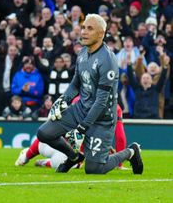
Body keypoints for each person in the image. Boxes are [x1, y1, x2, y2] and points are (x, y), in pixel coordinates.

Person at [37, 14, 143, 175]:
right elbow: (75, 83)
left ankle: (131, 151)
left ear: (101, 34)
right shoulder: (82, 53)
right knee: (44, 133)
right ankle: (74, 157)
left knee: (94, 169)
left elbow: (101, 101)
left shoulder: (107, 59)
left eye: (90, 28)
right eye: (83, 27)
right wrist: (63, 100)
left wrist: (82, 128)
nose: (84, 32)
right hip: (81, 109)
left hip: (101, 118)